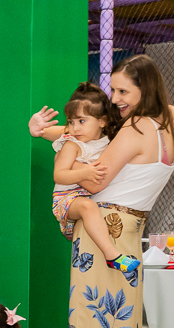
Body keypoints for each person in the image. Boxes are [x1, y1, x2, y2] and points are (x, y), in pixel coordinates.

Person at [30, 55, 174, 328]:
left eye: (123, 92)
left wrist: (63, 145)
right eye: (113, 91)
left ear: (144, 90)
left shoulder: (134, 128)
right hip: (128, 235)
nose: (116, 100)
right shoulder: (166, 123)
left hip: (104, 232)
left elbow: (97, 176)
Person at [51, 83, 139, 272]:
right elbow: (59, 174)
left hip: (90, 198)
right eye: (71, 122)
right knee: (88, 206)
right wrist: (84, 172)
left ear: (102, 121)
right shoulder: (72, 145)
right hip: (67, 199)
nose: (74, 128)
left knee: (94, 206)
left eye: (82, 121)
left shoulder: (107, 141)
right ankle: (112, 255)